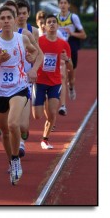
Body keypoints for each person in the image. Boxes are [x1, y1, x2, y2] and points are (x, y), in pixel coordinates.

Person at [0, 6, 41, 185]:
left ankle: (15, 159)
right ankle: (12, 160)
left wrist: (32, 59)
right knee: (5, 132)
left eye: (9, 18)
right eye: (3, 18)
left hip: (19, 87)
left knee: (14, 124)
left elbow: (36, 51)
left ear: (14, 21)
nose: (6, 21)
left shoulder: (22, 39)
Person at [4, 0, 43, 157]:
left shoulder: (27, 33)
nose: (19, 16)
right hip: (4, 84)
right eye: (16, 13)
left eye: (21, 13)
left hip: (24, 80)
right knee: (10, 124)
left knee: (23, 125)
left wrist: (33, 67)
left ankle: (22, 135)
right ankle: (15, 151)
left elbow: (38, 53)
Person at [32, 14, 73, 149]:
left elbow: (70, 66)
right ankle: (42, 101)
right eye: (49, 22)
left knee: (52, 113)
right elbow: (32, 57)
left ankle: (45, 139)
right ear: (45, 25)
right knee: (37, 115)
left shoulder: (63, 44)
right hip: (39, 81)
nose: (51, 24)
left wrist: (66, 59)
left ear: (57, 25)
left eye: (54, 22)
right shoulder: (39, 41)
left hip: (55, 82)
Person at [56, 0, 87, 102]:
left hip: (71, 47)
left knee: (71, 77)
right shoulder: (55, 17)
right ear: (58, 5)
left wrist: (72, 33)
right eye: (61, 3)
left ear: (68, 5)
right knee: (60, 73)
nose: (63, 5)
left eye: (65, 3)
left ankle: (71, 87)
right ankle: (57, 91)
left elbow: (84, 35)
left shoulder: (73, 17)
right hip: (59, 48)